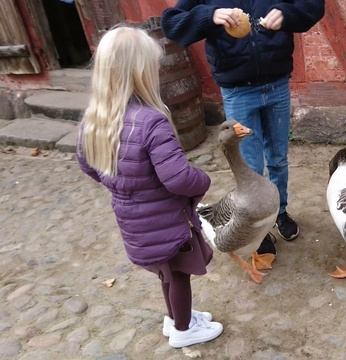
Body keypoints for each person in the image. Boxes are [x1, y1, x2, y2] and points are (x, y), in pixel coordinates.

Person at [76, 27, 223, 348]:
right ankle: (184, 331)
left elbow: (87, 164)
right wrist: (205, 181)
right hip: (166, 223)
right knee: (179, 275)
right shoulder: (151, 121)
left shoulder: (94, 119)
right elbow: (178, 178)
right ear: (142, 72)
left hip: (132, 222)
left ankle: (175, 319)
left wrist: (121, 186)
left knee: (165, 274)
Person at [161, 0, 325, 258]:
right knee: (249, 164)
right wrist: (209, 15)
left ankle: (278, 212)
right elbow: (171, 23)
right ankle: (259, 224)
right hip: (238, 91)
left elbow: (314, 6)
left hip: (277, 85)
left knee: (278, 159)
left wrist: (287, 14)